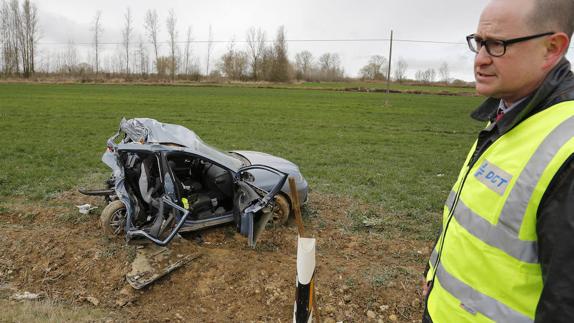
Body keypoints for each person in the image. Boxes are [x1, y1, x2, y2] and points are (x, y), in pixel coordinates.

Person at [422, 0, 574, 322]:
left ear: (552, 48)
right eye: (479, 43)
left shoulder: (567, 149)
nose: (480, 59)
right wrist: (433, 278)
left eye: (497, 45)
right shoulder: (507, 115)